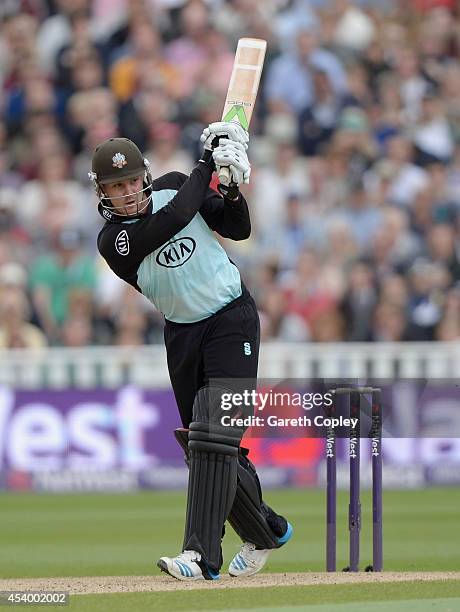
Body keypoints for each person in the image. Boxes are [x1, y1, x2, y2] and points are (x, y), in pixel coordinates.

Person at [90, 127, 293, 581]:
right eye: (115, 187)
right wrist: (207, 164)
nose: (127, 193)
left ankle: (201, 556)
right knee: (204, 444)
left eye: (131, 181)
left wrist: (233, 188)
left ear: (145, 176)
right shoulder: (114, 241)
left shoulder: (176, 183)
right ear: (102, 193)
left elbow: (237, 228)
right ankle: (268, 529)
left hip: (231, 318)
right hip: (182, 334)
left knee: (214, 436)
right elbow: (175, 219)